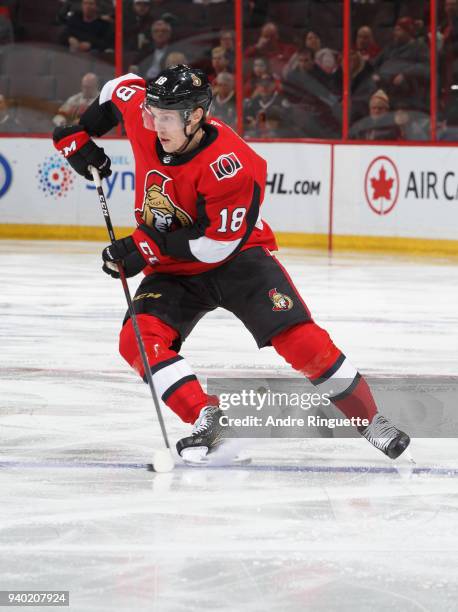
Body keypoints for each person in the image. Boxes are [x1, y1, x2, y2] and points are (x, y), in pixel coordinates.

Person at [53, 64, 410, 463]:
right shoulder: (148, 115)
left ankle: (371, 421)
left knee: (300, 340)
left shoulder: (231, 164)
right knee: (138, 338)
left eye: (167, 118)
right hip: (175, 269)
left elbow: (213, 247)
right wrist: (81, 135)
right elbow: (119, 88)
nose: (156, 125)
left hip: (238, 259)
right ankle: (207, 415)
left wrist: (143, 249)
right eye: (153, 115)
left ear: (197, 116)